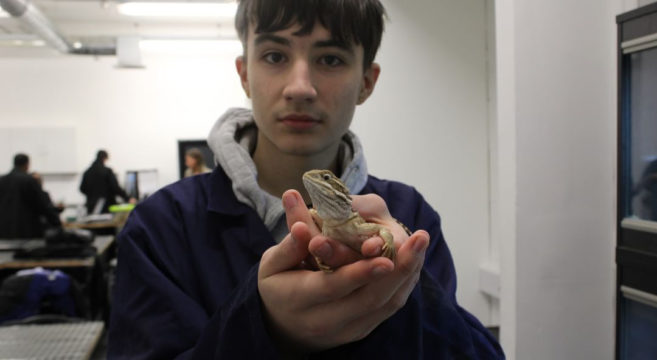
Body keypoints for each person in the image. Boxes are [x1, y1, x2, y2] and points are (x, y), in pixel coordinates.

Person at [108, 0, 504, 359]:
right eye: (275, 55)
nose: (300, 87)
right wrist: (265, 328)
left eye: (330, 59)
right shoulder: (162, 224)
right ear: (245, 74)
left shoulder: (409, 214)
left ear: (366, 81)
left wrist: (402, 286)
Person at [0, 154, 62, 239]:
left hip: (5, 229)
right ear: (27, 164)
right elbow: (42, 204)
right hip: (26, 230)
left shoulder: (2, 180)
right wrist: (57, 223)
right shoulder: (28, 180)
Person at [79, 150, 135, 214]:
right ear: (105, 158)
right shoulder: (107, 171)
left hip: (91, 207)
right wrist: (128, 198)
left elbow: (82, 189)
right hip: (106, 207)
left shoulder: (87, 172)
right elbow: (115, 187)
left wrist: (92, 195)